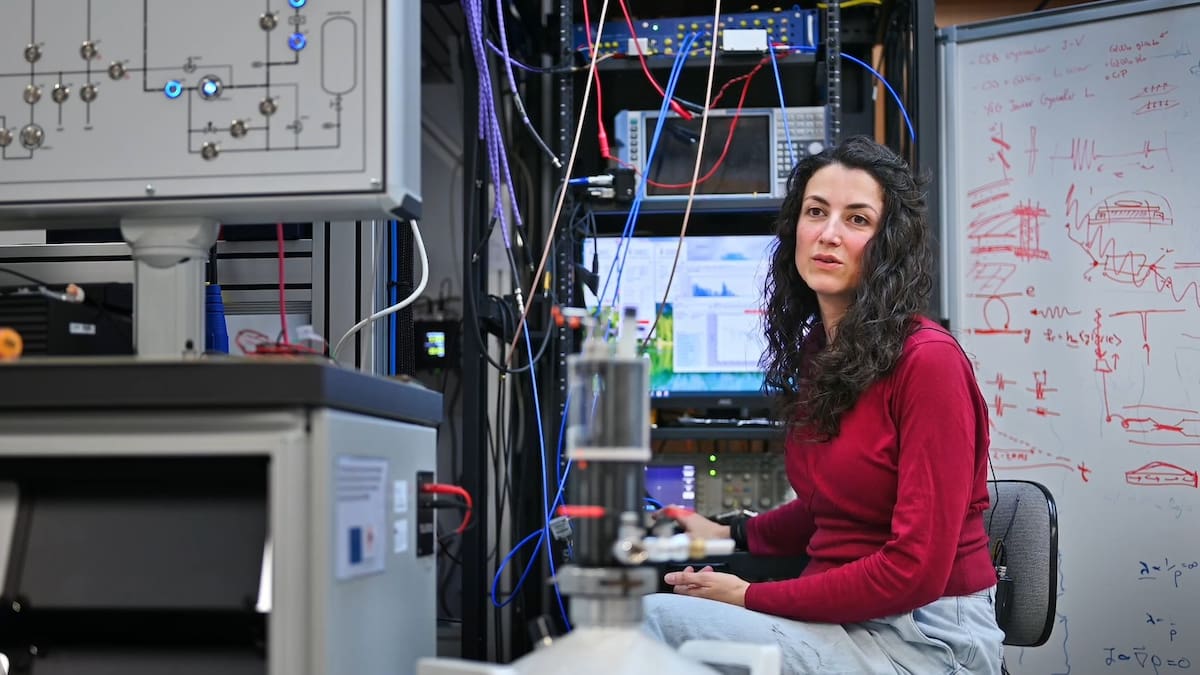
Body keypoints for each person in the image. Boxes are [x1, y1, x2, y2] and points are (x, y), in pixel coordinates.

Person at [642, 136, 1004, 675]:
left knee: (650, 621)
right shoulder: (823, 352)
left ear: (890, 243)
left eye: (857, 219)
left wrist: (749, 596)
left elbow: (915, 571)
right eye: (816, 212)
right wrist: (730, 533)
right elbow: (830, 506)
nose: (828, 234)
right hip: (840, 620)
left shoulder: (929, 362)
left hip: (926, 637)